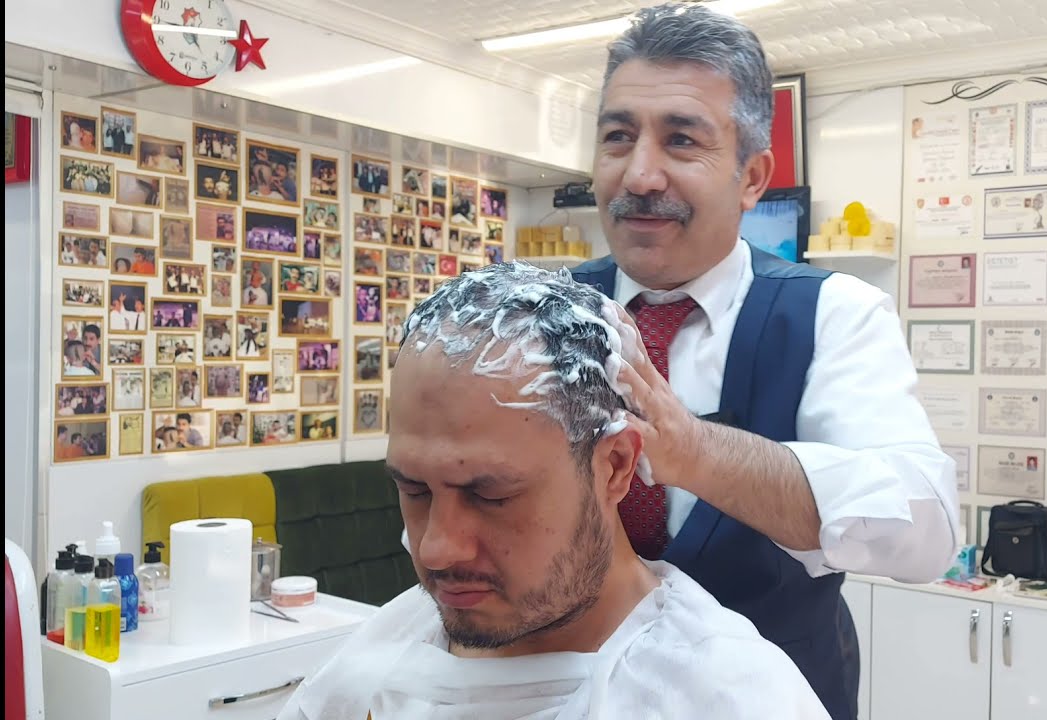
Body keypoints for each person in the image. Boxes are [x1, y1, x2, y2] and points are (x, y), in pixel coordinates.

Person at [563, 6, 959, 718]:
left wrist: (698, 453)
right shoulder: (546, 312)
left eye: (681, 140)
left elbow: (924, 528)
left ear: (752, 178)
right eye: (618, 137)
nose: (641, 173)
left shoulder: (833, 313)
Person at [279, 264, 828, 719]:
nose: (434, 549)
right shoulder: (384, 653)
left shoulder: (731, 696)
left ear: (615, 467)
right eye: (415, 490)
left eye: (490, 496)